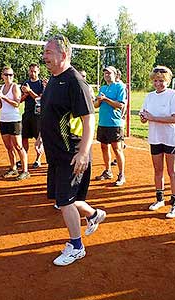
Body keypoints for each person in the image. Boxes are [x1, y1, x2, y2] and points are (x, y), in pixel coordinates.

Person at [38, 34, 106, 266]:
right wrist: (40, 137)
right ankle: (94, 215)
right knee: (64, 198)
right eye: (45, 52)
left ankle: (77, 247)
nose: (44, 56)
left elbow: (89, 120)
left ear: (63, 55)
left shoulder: (75, 81)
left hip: (72, 153)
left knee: (65, 202)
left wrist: (84, 152)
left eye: (48, 52)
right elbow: (50, 115)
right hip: (56, 153)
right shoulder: (54, 79)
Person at [140, 66, 175, 218]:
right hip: (155, 137)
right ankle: (160, 199)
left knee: (172, 171)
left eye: (161, 81)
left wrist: (152, 117)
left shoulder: (174, 95)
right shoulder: (149, 96)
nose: (158, 83)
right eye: (155, 80)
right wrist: (144, 118)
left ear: (167, 81)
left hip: (171, 138)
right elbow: (144, 117)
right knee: (158, 171)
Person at [0, 66, 29, 180]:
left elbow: (16, 103)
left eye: (11, 75)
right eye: (6, 74)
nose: (9, 77)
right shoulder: (1, 87)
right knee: (8, 147)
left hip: (14, 120)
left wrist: (3, 97)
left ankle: (25, 171)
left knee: (18, 146)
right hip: (3, 119)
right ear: (2, 76)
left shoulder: (14, 87)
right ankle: (13, 168)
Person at [94, 65, 127, 186]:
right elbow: (96, 105)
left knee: (117, 149)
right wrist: (98, 100)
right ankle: (108, 171)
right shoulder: (103, 87)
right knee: (104, 147)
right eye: (105, 73)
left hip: (114, 123)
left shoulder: (120, 87)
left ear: (115, 75)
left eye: (109, 73)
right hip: (103, 122)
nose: (107, 75)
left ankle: (121, 174)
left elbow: (120, 105)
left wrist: (105, 99)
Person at [20, 63, 44, 169]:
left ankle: (38, 159)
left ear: (38, 71)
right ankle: (23, 158)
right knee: (24, 137)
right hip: (27, 114)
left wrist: (29, 91)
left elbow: (40, 99)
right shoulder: (25, 83)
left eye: (34, 71)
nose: (32, 73)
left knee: (37, 138)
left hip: (38, 115)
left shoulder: (41, 84)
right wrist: (25, 94)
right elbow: (20, 99)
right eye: (31, 71)